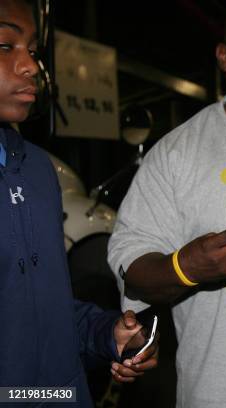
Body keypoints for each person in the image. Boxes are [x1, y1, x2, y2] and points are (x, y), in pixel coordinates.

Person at [0, 0, 158, 405]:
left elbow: (42, 313)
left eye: (33, 51)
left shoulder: (38, 170)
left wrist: (107, 334)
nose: (30, 67)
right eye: (5, 46)